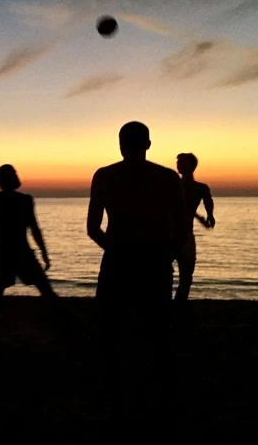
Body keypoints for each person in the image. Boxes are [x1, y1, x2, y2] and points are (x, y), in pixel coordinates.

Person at [87, 122, 187, 422]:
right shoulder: (168, 178)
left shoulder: (104, 176)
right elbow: (182, 228)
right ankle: (161, 392)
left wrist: (116, 250)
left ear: (120, 144)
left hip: (118, 260)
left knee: (110, 329)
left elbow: (93, 228)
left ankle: (114, 392)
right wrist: (165, 254)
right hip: (156, 261)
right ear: (148, 143)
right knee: (158, 329)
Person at [0, 165, 59, 337]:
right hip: (21, 251)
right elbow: (34, 228)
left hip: (3, 252)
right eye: (15, 174)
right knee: (45, 290)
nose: (17, 176)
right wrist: (44, 253)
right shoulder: (25, 200)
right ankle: (60, 321)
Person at [175, 153, 215, 302]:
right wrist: (206, 218)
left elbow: (207, 201)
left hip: (185, 235)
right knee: (169, 272)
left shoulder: (199, 187)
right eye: (178, 162)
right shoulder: (174, 185)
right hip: (169, 234)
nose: (178, 165)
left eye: (181, 163)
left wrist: (209, 216)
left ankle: (179, 303)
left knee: (186, 272)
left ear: (190, 166)